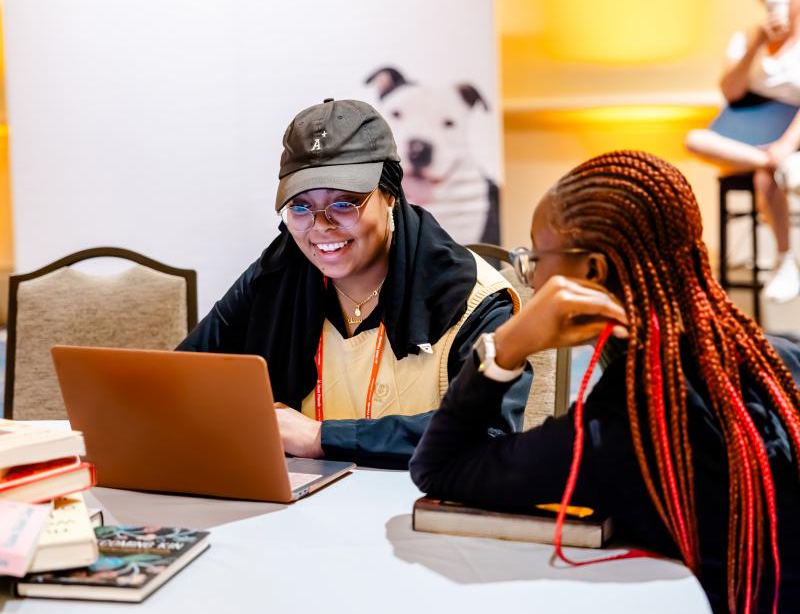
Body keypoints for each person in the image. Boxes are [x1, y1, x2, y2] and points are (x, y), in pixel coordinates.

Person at [410, 151, 800, 613]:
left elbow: (440, 467)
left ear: (591, 272)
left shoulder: (628, 424)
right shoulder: (776, 357)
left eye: (535, 258)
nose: (532, 276)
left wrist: (508, 345)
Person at [177, 98, 529, 469]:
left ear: (390, 194)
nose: (321, 226)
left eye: (345, 203)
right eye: (300, 206)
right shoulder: (275, 275)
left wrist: (320, 437)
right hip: (295, 511)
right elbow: (180, 381)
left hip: (417, 510)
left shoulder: (473, 297)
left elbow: (491, 433)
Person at [685, 0, 800, 303]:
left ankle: (785, 260)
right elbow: (731, 92)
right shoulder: (749, 37)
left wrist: (786, 144)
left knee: (766, 177)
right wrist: (757, 44)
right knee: (695, 139)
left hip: (792, 127)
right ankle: (773, 162)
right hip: (750, 126)